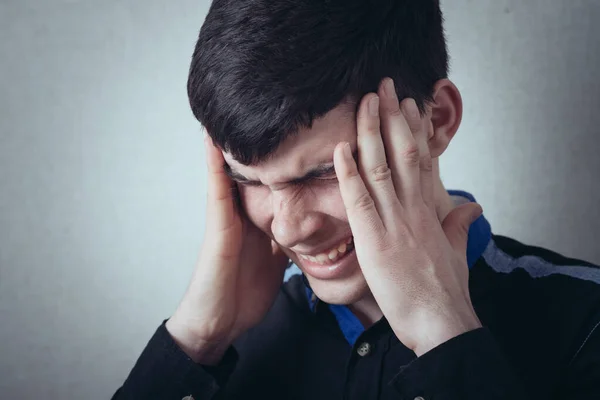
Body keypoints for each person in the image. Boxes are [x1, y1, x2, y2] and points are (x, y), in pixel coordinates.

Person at [112, 0, 600, 399]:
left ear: (438, 120)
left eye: (326, 171)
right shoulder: (226, 348)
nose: (288, 228)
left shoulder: (586, 322)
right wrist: (196, 340)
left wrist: (444, 334)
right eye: (250, 181)